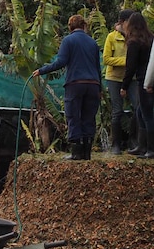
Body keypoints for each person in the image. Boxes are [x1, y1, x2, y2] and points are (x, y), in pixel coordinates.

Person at [32, 14, 101, 160]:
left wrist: (41, 70)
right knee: (89, 117)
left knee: (73, 116)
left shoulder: (68, 40)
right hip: (93, 84)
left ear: (70, 27)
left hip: (75, 84)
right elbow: (97, 67)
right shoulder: (93, 43)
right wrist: (99, 88)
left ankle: (76, 153)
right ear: (84, 26)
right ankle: (87, 153)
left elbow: (61, 62)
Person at [103, 9, 134, 154]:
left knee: (138, 108)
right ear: (122, 22)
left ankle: (134, 142)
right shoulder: (111, 37)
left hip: (132, 78)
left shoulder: (134, 37)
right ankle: (116, 144)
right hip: (114, 78)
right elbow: (106, 59)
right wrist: (126, 61)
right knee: (117, 110)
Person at [125, 12, 154, 158]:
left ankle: (150, 148)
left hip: (144, 79)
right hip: (150, 76)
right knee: (141, 112)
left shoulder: (134, 42)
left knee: (147, 114)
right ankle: (142, 146)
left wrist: (124, 85)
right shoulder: (150, 38)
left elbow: (130, 66)